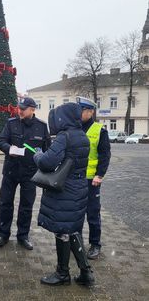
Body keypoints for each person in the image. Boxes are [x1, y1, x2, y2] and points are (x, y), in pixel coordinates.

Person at [33, 102, 94, 286]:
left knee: (62, 231)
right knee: (72, 229)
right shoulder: (82, 136)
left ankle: (62, 274)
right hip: (79, 189)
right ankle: (85, 273)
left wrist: (37, 155)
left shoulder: (64, 136)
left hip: (64, 191)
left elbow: (47, 162)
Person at [0, 97, 51, 250]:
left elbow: (47, 150)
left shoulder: (41, 126)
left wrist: (43, 160)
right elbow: (1, 141)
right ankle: (3, 234)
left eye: (23, 108)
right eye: (19, 107)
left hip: (30, 173)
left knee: (26, 206)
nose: (19, 110)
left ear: (32, 109)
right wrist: (9, 149)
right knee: (5, 203)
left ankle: (23, 236)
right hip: (10, 171)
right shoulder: (11, 123)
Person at [76, 96, 111, 260]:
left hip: (92, 180)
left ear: (90, 112)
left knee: (93, 213)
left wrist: (99, 175)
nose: (79, 113)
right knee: (75, 212)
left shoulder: (99, 130)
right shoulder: (74, 127)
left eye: (82, 110)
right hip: (75, 178)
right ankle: (76, 242)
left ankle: (95, 244)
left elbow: (105, 155)